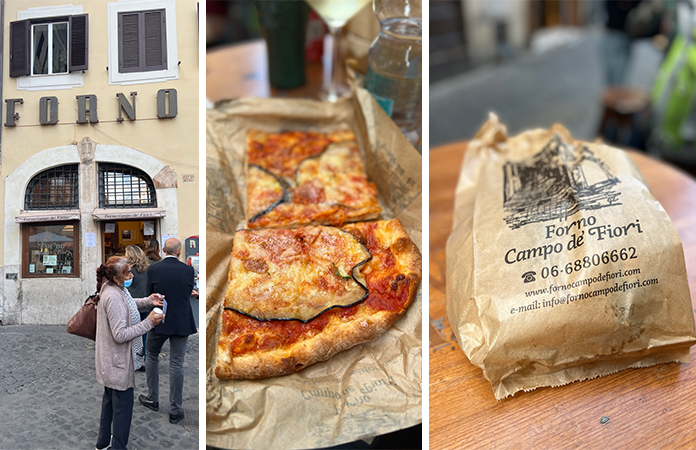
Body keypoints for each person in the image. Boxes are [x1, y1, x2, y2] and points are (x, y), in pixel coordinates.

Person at [94, 256, 164, 450]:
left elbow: (129, 303)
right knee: (122, 410)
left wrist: (149, 301)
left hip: (111, 362)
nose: (132, 275)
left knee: (109, 402)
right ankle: (118, 446)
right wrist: (148, 322)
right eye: (127, 273)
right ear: (117, 278)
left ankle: (102, 443)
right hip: (118, 362)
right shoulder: (113, 296)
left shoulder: (113, 289)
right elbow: (120, 334)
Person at [139, 238, 197, 424]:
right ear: (179, 252)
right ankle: (175, 409)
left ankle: (153, 398)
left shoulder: (153, 269)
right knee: (177, 364)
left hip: (159, 320)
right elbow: (188, 290)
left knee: (152, 356)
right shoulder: (188, 270)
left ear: (164, 250)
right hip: (181, 321)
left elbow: (150, 294)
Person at [125, 245, 150, 371]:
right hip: (145, 304)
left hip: (132, 305)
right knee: (143, 334)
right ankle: (143, 360)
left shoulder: (129, 271)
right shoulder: (148, 269)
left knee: (130, 333)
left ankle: (131, 359)